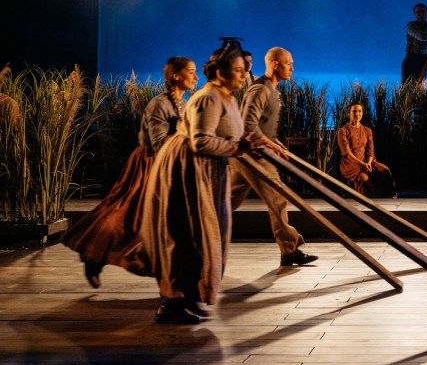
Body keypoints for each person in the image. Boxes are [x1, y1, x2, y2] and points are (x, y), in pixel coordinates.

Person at [122, 44, 284, 324]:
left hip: (208, 171)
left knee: (206, 236)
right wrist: (236, 148)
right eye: (236, 70)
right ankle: (172, 302)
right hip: (188, 170)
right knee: (186, 234)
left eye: (242, 70)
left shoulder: (228, 97)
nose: (242, 74)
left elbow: (235, 133)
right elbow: (200, 141)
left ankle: (190, 295)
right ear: (220, 73)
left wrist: (251, 144)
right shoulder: (208, 98)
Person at [63, 56, 198, 289]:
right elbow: (157, 143)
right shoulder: (159, 104)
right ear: (176, 75)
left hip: (172, 165)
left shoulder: (186, 105)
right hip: (149, 165)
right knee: (127, 214)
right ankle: (94, 253)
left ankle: (168, 273)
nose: (196, 77)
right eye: (191, 71)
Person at [228, 47, 317, 267]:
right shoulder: (260, 90)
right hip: (252, 155)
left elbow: (262, 127)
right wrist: (272, 147)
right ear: (276, 64)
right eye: (289, 63)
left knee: (226, 202)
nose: (292, 68)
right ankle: (290, 249)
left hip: (253, 153)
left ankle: (195, 228)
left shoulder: (272, 90)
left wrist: (275, 143)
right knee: (278, 198)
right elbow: (248, 126)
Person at [335, 101, 398, 198]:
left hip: (367, 162)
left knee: (385, 170)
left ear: (362, 113)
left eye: (359, 111)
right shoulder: (343, 131)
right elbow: (346, 152)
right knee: (364, 178)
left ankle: (388, 197)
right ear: (349, 113)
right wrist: (361, 163)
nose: (357, 114)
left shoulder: (367, 130)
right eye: (354, 111)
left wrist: (368, 163)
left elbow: (370, 150)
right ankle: (366, 202)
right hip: (350, 164)